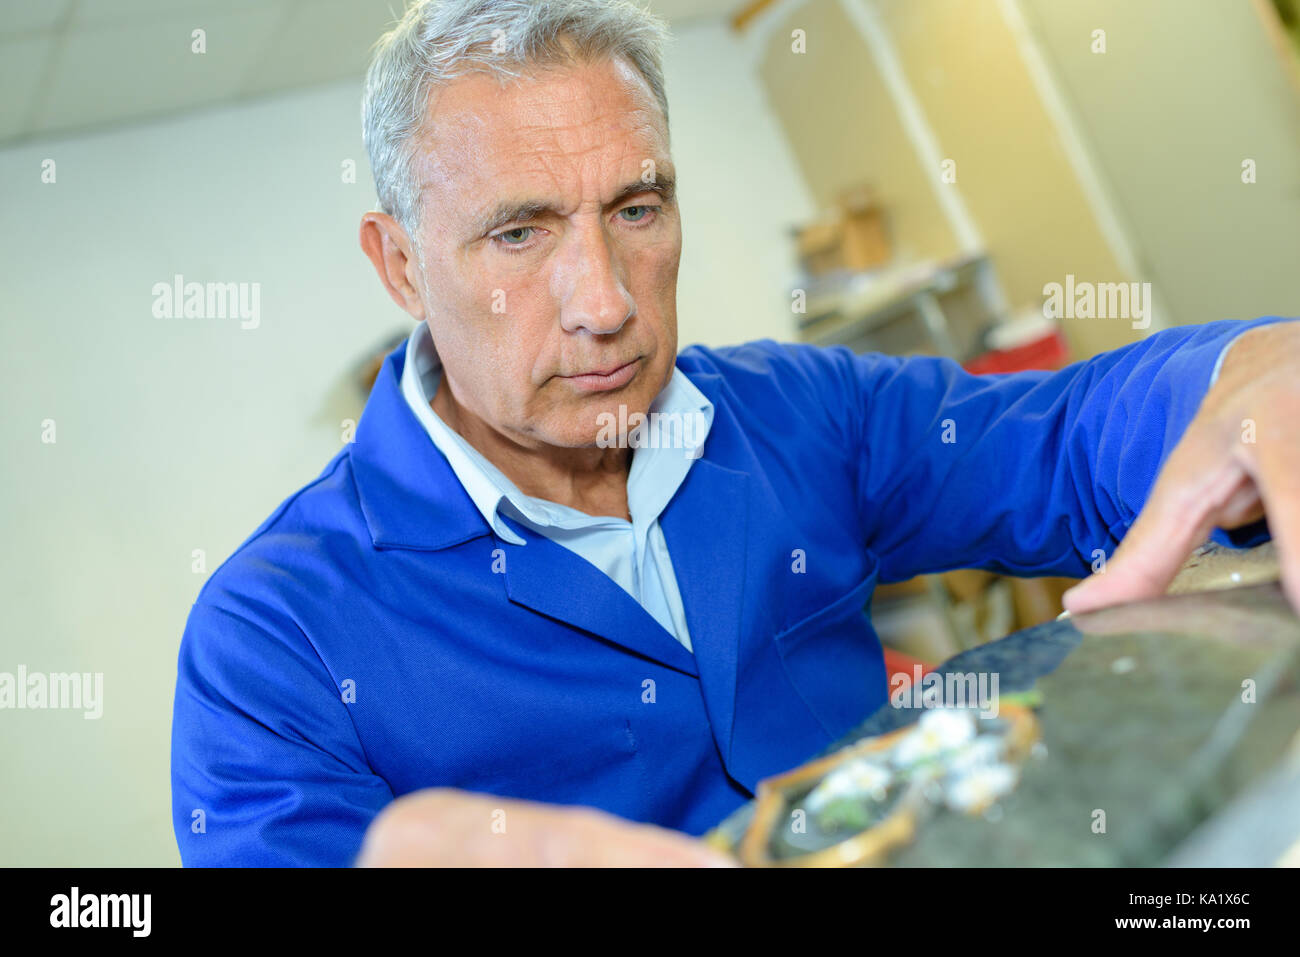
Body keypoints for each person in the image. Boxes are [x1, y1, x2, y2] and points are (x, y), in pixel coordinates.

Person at [170, 0, 1300, 867]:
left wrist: (1248, 372)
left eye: (636, 209)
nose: (604, 298)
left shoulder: (797, 415)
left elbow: (1056, 439)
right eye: (519, 232)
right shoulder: (270, 643)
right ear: (403, 265)